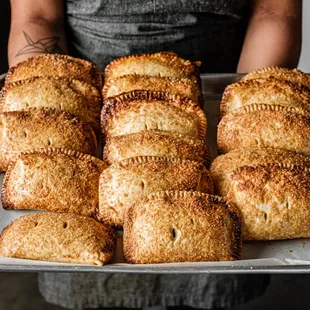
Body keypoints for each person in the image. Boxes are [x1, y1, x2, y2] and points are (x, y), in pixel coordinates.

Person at [8, 0, 302, 309]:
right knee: (93, 288)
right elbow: (37, 15)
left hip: (215, 102)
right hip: (89, 116)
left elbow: (275, 12)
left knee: (215, 281)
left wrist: (255, 106)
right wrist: (44, 105)